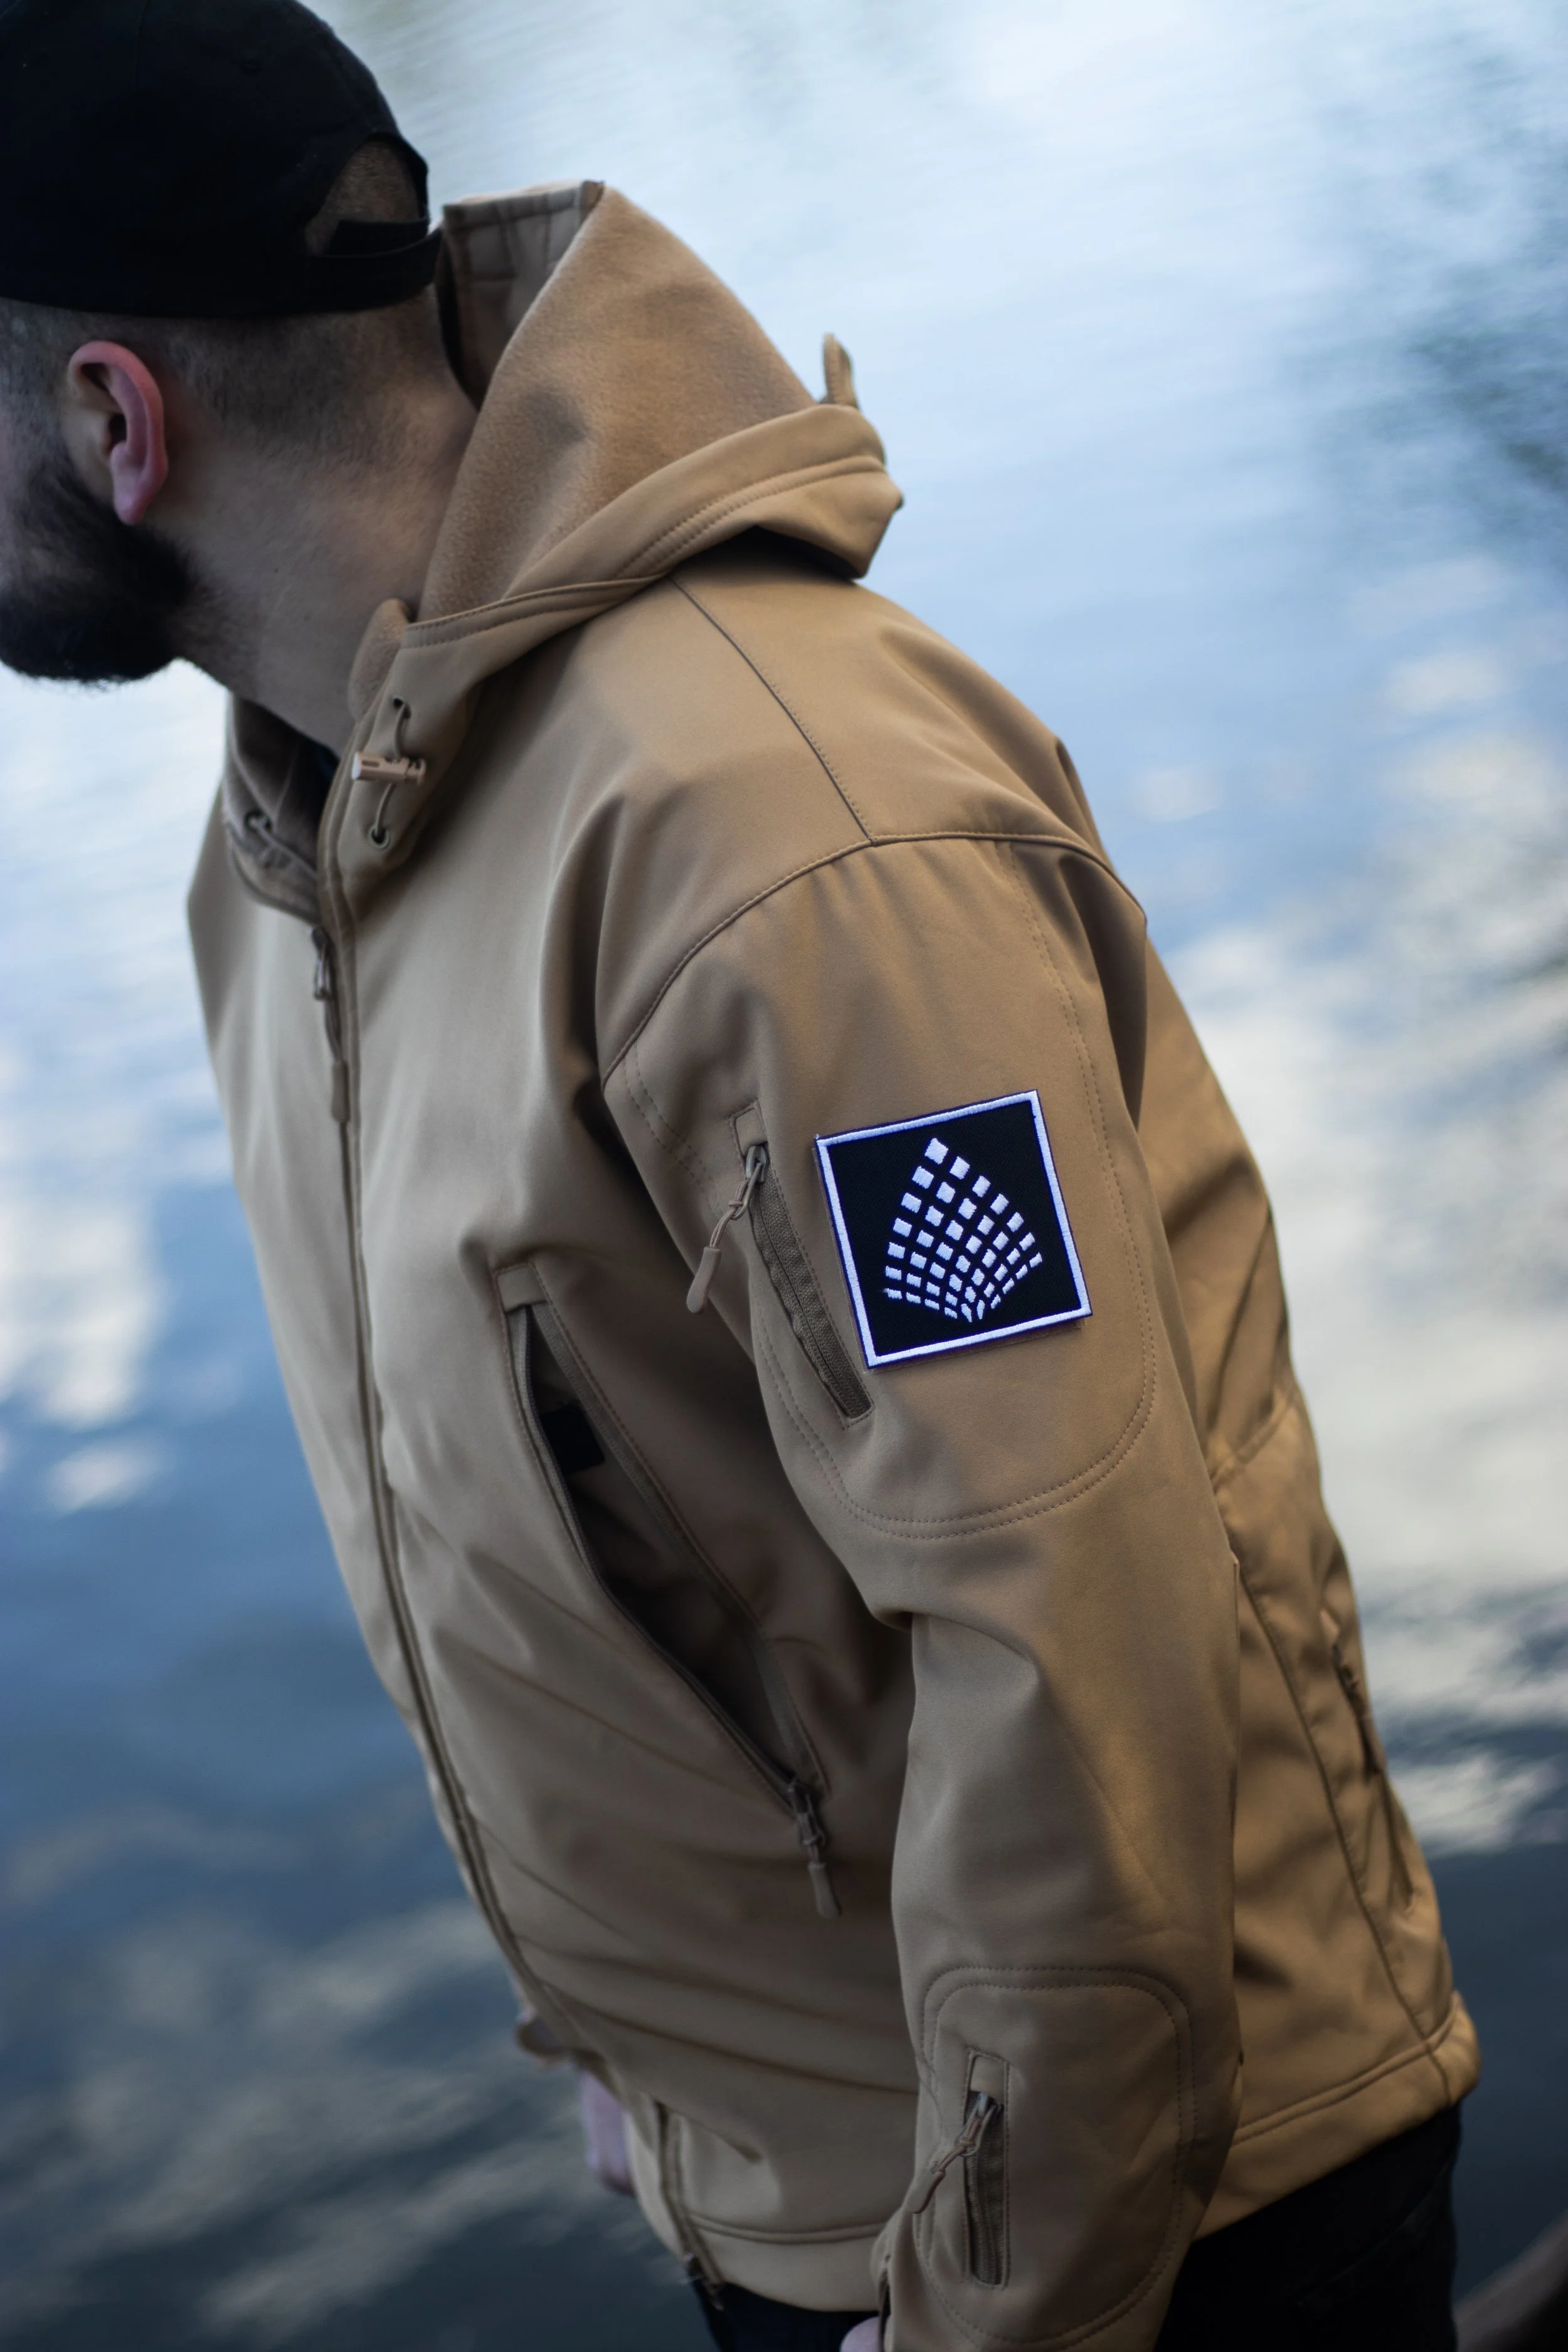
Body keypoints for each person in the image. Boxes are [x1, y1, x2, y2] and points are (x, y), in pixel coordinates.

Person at [0, 4, 1478, 2346]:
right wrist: (661, 2046)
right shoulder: (301, 846)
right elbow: (594, 1494)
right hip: (820, 2175)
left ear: (113, 419)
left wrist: (1002, 2289)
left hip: (1138, 2227)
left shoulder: (781, 842)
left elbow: (1066, 1629)